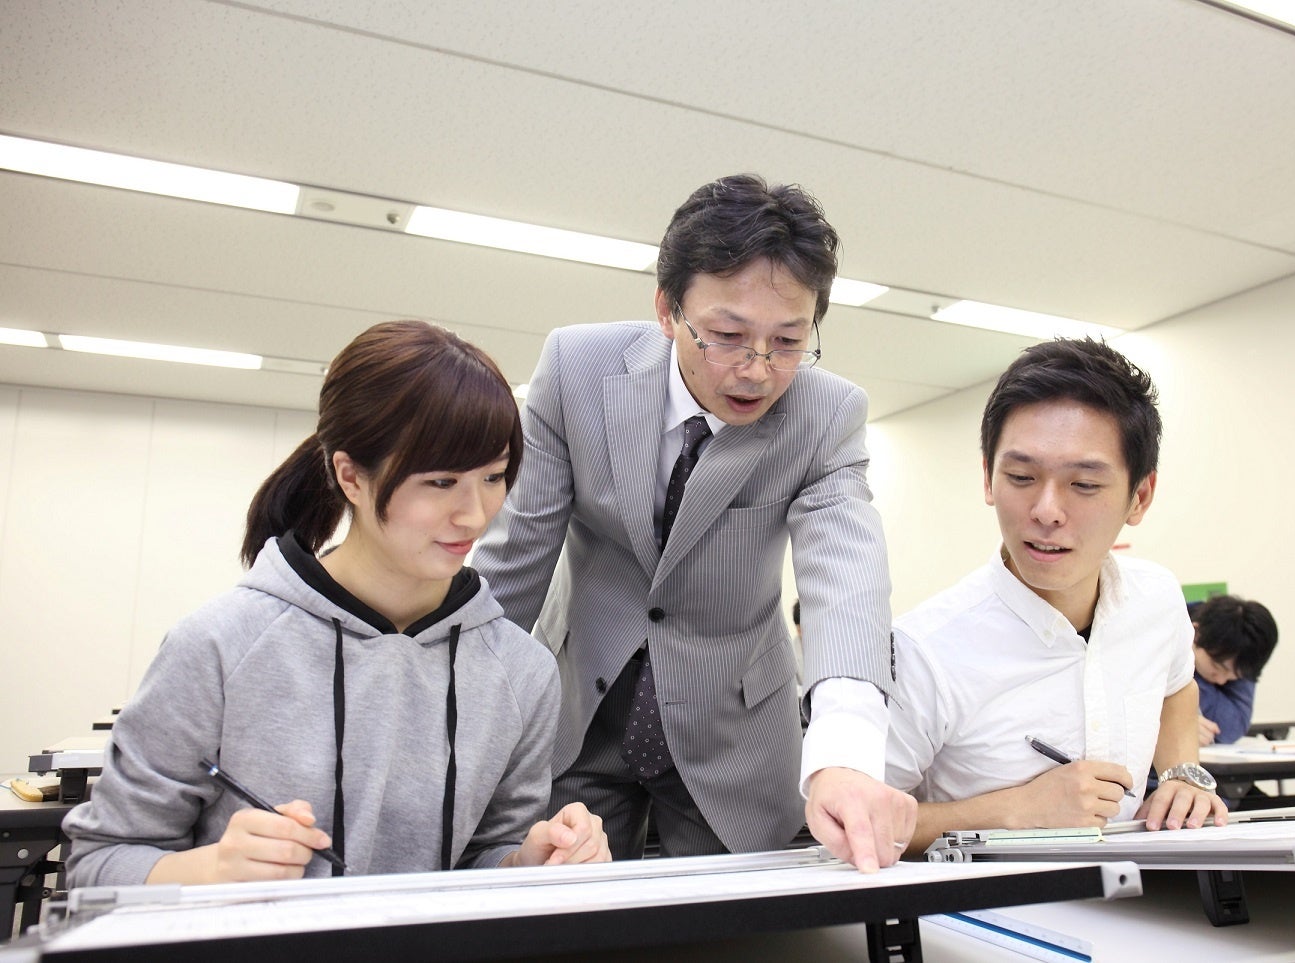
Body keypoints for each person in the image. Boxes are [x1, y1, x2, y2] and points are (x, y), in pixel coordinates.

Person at [472, 174, 915, 871]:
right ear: (667, 309)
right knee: (566, 905)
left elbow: (847, 581)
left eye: (788, 341)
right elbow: (515, 560)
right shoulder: (576, 369)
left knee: (736, 923)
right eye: (727, 336)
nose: (757, 370)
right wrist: (456, 713)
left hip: (734, 729)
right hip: (582, 711)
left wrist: (847, 753)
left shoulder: (826, 414)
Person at [64, 320, 609, 886]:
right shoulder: (220, 644)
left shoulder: (522, 671)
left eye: (494, 477)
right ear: (351, 476)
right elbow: (97, 864)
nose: (475, 514)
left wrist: (525, 862)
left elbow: (486, 853)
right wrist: (211, 869)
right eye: (442, 483)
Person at [884, 337, 1228, 854]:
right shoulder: (923, 648)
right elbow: (853, 823)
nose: (1046, 510)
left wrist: (1182, 774)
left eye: (1084, 485)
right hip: (987, 901)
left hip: (1143, 890)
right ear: (988, 478)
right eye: (1022, 477)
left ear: (1140, 496)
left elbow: (1176, 688)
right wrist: (1014, 811)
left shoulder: (1156, 598)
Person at [1190, 595, 1279, 745]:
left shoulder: (1243, 649)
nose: (1221, 681)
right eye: (1216, 667)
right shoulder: (1160, 629)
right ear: (1195, 633)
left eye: (1233, 678)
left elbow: (1232, 726)